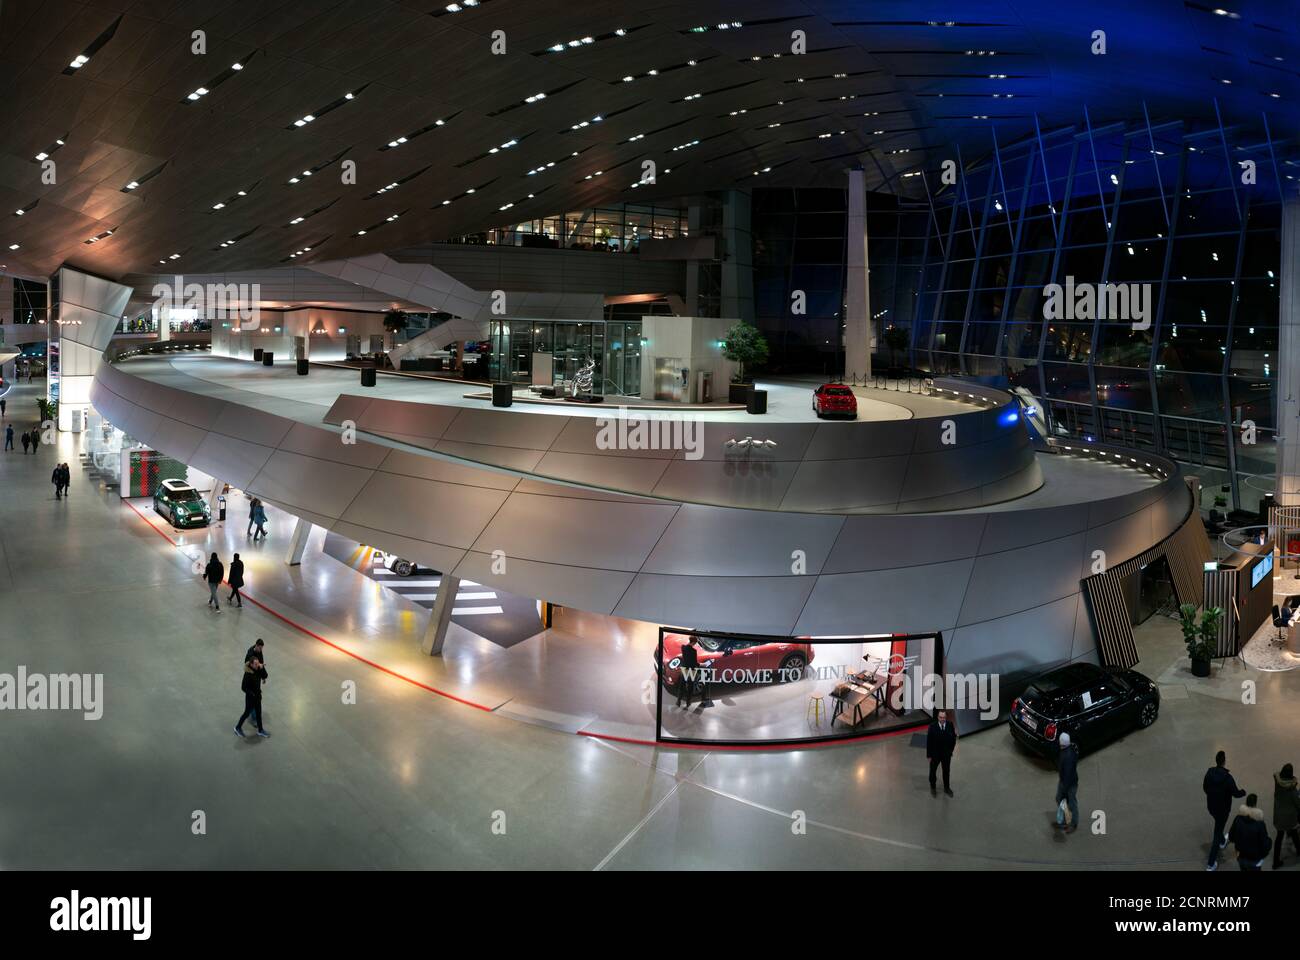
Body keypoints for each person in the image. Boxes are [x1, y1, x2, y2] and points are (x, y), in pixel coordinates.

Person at [1204, 750, 1246, 870]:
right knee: (1217, 834)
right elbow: (1236, 793)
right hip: (1223, 810)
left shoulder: (1209, 772)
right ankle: (1211, 864)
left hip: (1211, 807)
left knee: (1219, 825)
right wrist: (1243, 792)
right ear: (1224, 761)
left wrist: (1212, 796)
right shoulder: (1228, 778)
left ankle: (1223, 841)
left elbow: (1205, 788)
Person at [1229, 794, 1271, 871]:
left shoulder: (1238, 819)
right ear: (1255, 804)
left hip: (1241, 856)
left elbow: (1231, 837)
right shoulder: (1260, 824)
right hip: (1254, 859)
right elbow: (1265, 843)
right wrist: (1263, 853)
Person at [234, 656, 270, 738]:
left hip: (257, 696)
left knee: (258, 713)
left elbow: (265, 675)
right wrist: (252, 694)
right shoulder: (248, 674)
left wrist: (262, 668)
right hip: (250, 698)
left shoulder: (258, 669)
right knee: (246, 713)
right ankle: (237, 728)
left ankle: (260, 730)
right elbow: (243, 687)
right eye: (256, 664)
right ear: (251, 664)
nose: (257, 665)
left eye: (258, 663)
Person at [1273, 763, 1300, 869]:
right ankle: (1298, 850)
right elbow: (1297, 804)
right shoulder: (1292, 790)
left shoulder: (1277, 783)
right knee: (1293, 833)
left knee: (1279, 837)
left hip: (1279, 815)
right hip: (1289, 818)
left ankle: (1276, 861)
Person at [926, 709, 957, 797]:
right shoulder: (932, 727)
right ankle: (933, 788)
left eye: (944, 717)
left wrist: (950, 751)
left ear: (946, 717)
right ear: (938, 717)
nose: (942, 719)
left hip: (946, 755)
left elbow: (953, 739)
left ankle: (947, 788)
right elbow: (929, 742)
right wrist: (929, 755)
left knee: (946, 771)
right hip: (935, 755)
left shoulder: (950, 725)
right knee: (932, 772)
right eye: (940, 717)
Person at [1055, 732, 1080, 832]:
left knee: (1072, 803)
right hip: (1065, 781)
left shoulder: (1068, 756)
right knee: (1059, 799)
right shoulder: (1067, 749)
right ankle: (1066, 818)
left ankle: (1073, 823)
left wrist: (1065, 788)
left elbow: (1068, 775)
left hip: (1069, 784)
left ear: (1063, 744)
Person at [675, 638, 700, 708]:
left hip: (684, 669)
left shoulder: (683, 647)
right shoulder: (694, 651)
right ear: (694, 642)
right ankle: (688, 703)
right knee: (690, 687)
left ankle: (678, 701)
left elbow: (686, 657)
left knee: (681, 686)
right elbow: (694, 663)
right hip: (691, 670)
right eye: (695, 643)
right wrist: (700, 665)